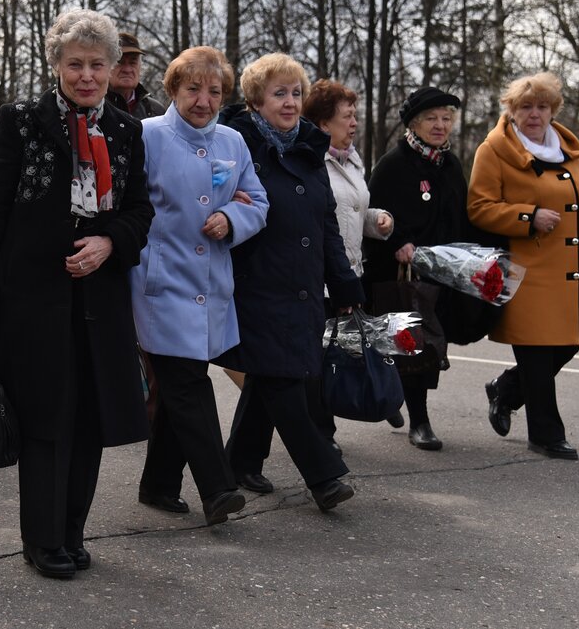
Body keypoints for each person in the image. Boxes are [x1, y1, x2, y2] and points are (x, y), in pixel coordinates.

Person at [0, 10, 154, 579]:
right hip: (32, 297)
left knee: (89, 418)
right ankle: (42, 541)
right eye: (75, 64)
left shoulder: (127, 130)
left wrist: (109, 243)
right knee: (47, 418)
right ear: (57, 66)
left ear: (113, 68)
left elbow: (140, 211)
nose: (86, 75)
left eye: (97, 64)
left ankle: (72, 532)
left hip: (100, 298)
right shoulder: (22, 121)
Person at [131, 46, 268, 525]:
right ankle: (218, 487)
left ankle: (158, 484)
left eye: (214, 91)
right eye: (193, 89)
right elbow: (128, 203)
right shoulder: (147, 135)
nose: (204, 100)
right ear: (173, 89)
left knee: (179, 383)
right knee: (188, 381)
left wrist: (232, 218)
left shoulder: (233, 141)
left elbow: (258, 202)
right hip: (160, 280)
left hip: (210, 283)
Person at [222, 55, 363, 511]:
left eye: (296, 93)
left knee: (269, 376)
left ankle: (238, 462)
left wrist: (343, 283)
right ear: (255, 100)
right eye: (279, 93)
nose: (290, 102)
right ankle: (324, 476)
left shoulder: (309, 147)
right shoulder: (236, 145)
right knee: (282, 381)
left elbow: (326, 225)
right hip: (254, 284)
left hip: (301, 286)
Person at [469, 72, 579, 460]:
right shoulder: (494, 150)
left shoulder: (564, 146)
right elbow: (479, 207)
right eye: (526, 106)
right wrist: (528, 217)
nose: (534, 114)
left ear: (553, 110)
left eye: (542, 106)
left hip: (567, 271)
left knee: (569, 344)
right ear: (512, 109)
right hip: (524, 269)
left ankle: (506, 390)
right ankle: (546, 435)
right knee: (537, 354)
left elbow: (574, 192)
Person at [364, 86, 471, 451]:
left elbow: (461, 218)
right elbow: (373, 215)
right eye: (431, 119)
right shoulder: (394, 164)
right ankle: (418, 421)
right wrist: (397, 241)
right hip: (400, 275)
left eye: (446, 118)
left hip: (440, 273)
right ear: (413, 123)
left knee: (429, 345)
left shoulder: (451, 165)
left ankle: (388, 395)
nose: (440, 125)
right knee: (412, 347)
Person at [304, 79, 399, 440]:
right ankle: (320, 434)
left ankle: (332, 422)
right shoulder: (314, 161)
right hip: (321, 276)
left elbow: (352, 211)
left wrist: (378, 220)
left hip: (351, 272)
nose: (355, 122)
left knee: (338, 353)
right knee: (323, 355)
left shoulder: (353, 160)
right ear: (324, 123)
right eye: (347, 116)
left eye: (355, 115)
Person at [106, 32, 165, 119]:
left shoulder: (156, 111)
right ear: (106, 66)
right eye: (120, 62)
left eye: (133, 62)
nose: (127, 69)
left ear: (140, 67)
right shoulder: (94, 108)